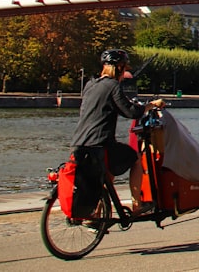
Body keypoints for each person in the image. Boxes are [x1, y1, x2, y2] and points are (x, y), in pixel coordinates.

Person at [70, 49, 165, 215]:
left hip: (79, 142)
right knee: (135, 159)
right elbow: (131, 112)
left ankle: (97, 213)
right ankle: (138, 205)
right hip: (100, 143)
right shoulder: (113, 85)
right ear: (119, 68)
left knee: (107, 172)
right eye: (125, 67)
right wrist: (151, 105)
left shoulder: (90, 84)